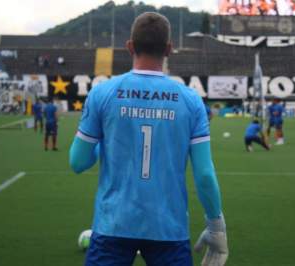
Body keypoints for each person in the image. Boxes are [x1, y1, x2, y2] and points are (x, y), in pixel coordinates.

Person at [69, 12, 228, 266]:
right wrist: (216, 227)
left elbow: (78, 162)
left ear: (130, 46)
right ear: (169, 49)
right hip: (169, 229)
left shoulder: (102, 93)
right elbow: (205, 175)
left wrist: (106, 143)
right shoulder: (191, 100)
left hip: (113, 225)